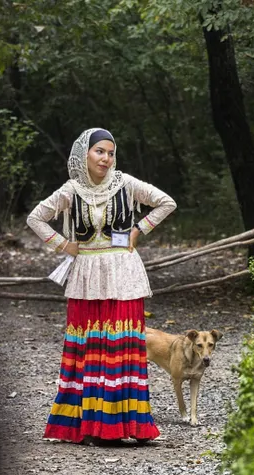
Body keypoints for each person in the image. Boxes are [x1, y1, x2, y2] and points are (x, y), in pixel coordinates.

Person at [27, 127, 176, 444]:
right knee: (92, 348)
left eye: (110, 153)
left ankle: (126, 425)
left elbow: (166, 202)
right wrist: (63, 245)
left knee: (120, 346)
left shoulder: (126, 184)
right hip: (87, 275)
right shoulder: (72, 190)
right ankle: (95, 426)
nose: (106, 158)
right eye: (100, 151)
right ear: (85, 154)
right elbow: (35, 218)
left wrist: (138, 229)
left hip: (122, 271)